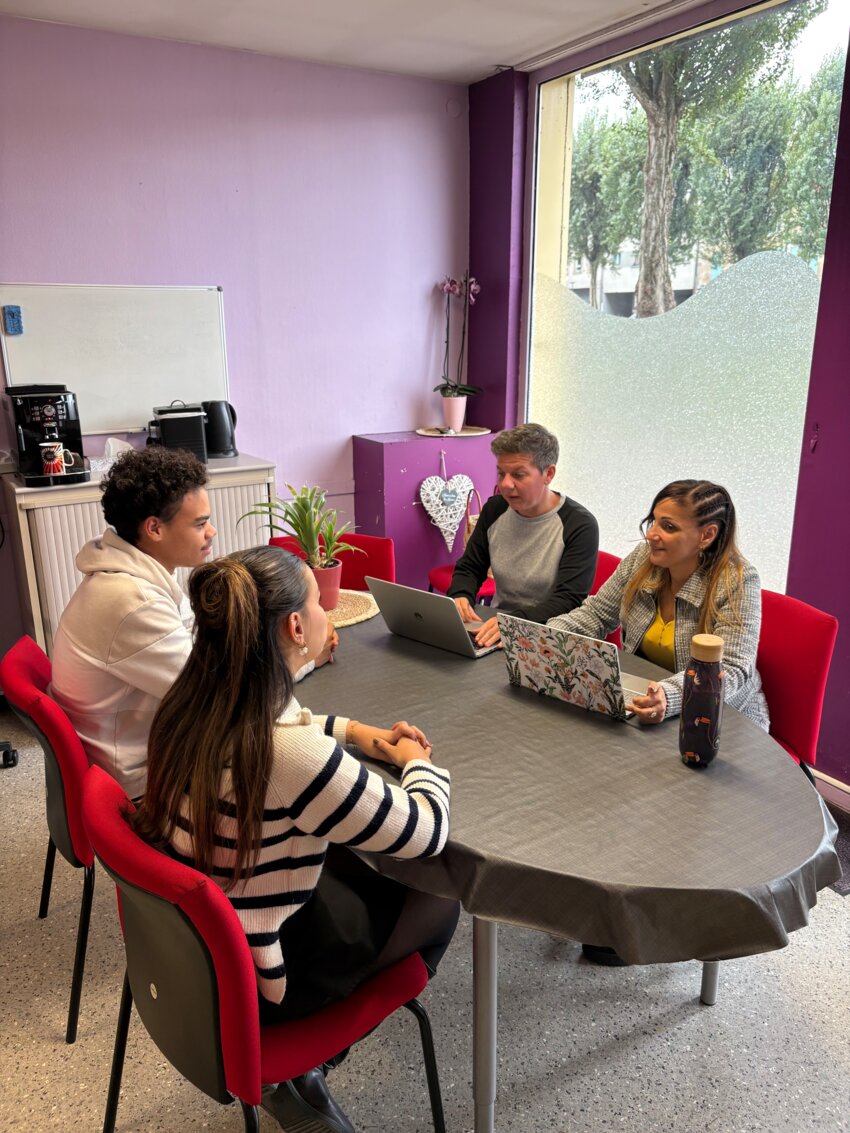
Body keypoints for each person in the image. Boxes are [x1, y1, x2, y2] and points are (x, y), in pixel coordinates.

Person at [132, 545, 459, 1133]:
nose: (326, 612)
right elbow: (426, 831)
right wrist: (417, 762)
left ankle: (303, 1069)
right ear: (295, 627)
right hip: (267, 978)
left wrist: (355, 732)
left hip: (204, 952)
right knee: (441, 896)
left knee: (348, 859)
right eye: (318, 602)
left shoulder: (189, 703)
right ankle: (309, 1059)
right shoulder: (289, 755)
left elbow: (285, 725)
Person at [50, 446, 338, 799]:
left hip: (151, 746)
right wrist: (304, 655)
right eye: (200, 524)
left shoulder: (138, 576)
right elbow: (224, 696)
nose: (212, 532)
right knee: (296, 778)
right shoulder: (132, 603)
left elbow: (203, 647)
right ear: (154, 528)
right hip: (143, 785)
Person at [548, 479, 769, 730]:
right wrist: (547, 636)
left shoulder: (737, 580)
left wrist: (668, 695)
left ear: (707, 535)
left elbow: (730, 668)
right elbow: (597, 614)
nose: (651, 534)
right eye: (654, 521)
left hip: (721, 718)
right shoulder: (643, 558)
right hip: (647, 700)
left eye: (668, 526)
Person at [448, 422, 598, 648]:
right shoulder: (495, 509)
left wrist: (513, 622)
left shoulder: (579, 525)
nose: (506, 484)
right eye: (501, 473)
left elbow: (568, 600)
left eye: (518, 475)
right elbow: (470, 566)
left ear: (548, 474)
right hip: (499, 628)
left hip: (551, 637)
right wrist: (461, 595)